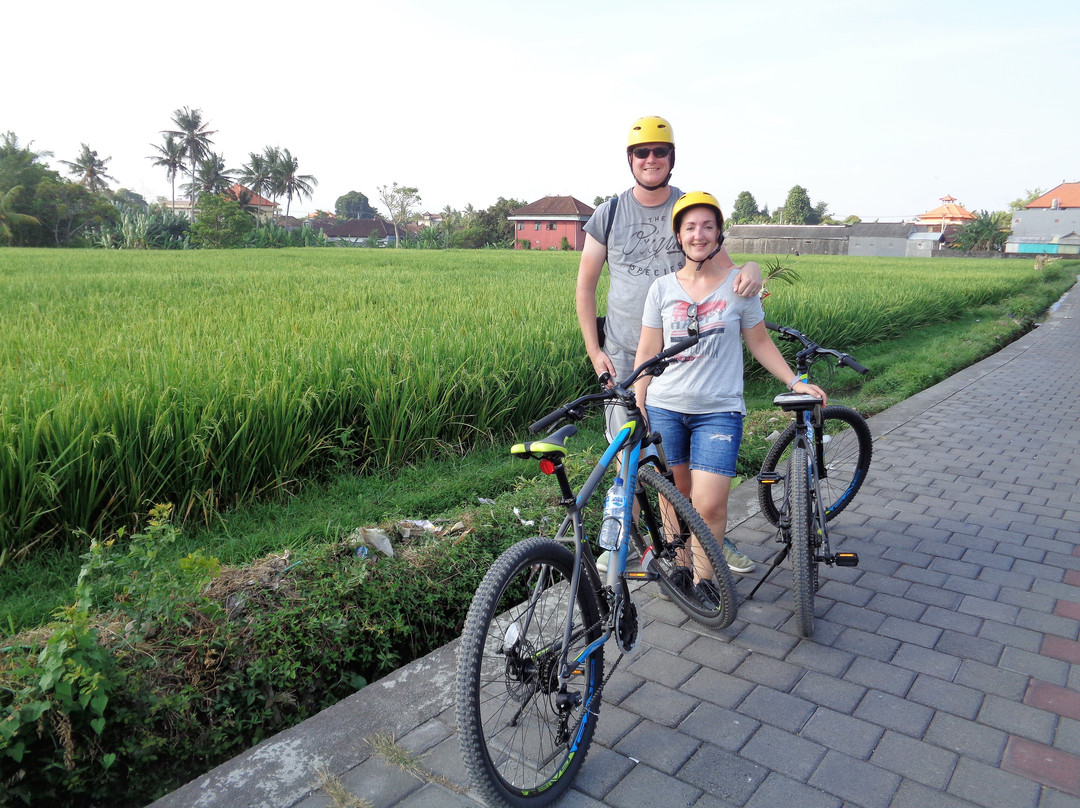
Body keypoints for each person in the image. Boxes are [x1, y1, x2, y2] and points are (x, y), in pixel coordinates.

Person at [576, 115, 763, 573]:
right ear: (630, 160)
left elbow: (726, 267)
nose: (651, 159)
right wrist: (595, 352)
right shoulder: (609, 214)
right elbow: (585, 287)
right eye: (642, 152)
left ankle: (705, 541)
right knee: (630, 456)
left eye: (660, 151)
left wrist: (753, 269)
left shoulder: (688, 207)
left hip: (686, 360)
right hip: (627, 358)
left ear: (671, 158)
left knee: (690, 467)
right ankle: (623, 543)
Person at [633, 191, 828, 590]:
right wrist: (639, 399)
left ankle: (705, 582)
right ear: (679, 235)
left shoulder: (739, 286)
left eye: (707, 226)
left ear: (719, 234)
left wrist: (795, 382)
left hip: (718, 410)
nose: (698, 235)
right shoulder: (661, 289)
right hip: (665, 406)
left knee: (709, 504)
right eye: (690, 227)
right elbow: (648, 350)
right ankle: (681, 573)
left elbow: (760, 342)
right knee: (673, 497)